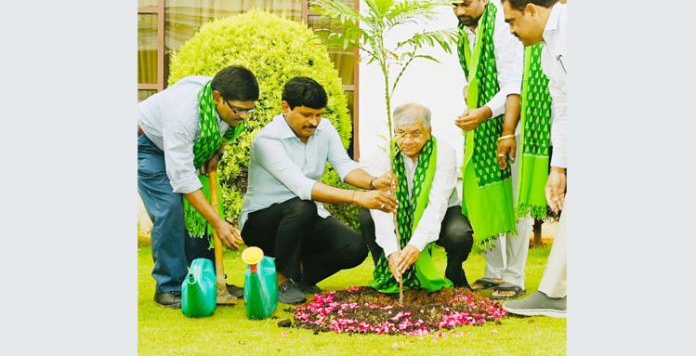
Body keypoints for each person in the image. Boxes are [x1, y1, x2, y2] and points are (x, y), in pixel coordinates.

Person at [239, 77, 397, 304]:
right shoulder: (267, 140)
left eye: (319, 115)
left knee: (354, 248)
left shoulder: (325, 129)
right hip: (261, 224)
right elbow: (302, 187)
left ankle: (292, 276)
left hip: (306, 215)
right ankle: (283, 280)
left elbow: (344, 165)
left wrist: (374, 182)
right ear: (286, 108)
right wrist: (357, 197)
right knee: (302, 206)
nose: (314, 122)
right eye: (306, 115)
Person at [137, 65, 259, 308]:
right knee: (170, 209)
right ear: (217, 98)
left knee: (199, 212)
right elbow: (182, 178)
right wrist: (219, 223)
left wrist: (216, 152)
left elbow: (226, 132)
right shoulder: (183, 115)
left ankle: (209, 279)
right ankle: (169, 287)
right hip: (148, 145)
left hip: (182, 149)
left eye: (249, 111)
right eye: (238, 110)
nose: (244, 116)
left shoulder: (225, 102)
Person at [447, 0, 528, 299]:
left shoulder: (502, 28)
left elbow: (513, 85)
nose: (460, 11)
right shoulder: (463, 32)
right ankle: (494, 271)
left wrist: (483, 113)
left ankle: (515, 274)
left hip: (510, 127)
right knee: (485, 196)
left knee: (512, 201)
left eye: (465, 3)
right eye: (454, 6)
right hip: (481, 130)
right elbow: (479, 75)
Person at [495, 0, 568, 298]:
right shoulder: (547, 50)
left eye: (512, 21)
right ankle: (554, 294)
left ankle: (554, 294)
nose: (510, 30)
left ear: (532, 10)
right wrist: (558, 168)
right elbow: (565, 109)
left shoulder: (569, 31)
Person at [358, 103, 474, 292]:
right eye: (401, 133)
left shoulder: (445, 153)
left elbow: (437, 204)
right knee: (367, 214)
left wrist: (415, 245)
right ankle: (390, 270)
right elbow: (381, 207)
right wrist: (391, 251)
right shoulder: (383, 155)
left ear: (429, 132)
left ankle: (455, 274)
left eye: (415, 133)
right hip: (397, 209)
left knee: (459, 234)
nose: (407, 141)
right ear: (394, 131)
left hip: (442, 211)